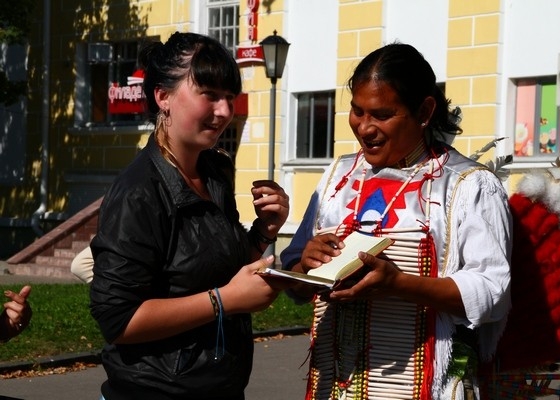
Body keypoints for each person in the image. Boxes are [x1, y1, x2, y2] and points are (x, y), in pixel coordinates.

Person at [279, 43, 512, 400]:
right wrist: (302, 266)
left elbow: (493, 294)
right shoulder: (336, 177)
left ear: (424, 111)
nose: (365, 127)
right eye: (357, 111)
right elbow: (294, 276)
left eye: (382, 114)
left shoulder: (467, 185)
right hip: (334, 386)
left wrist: (399, 284)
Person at [89, 32, 289, 400]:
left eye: (229, 97)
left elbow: (220, 271)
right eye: (210, 95)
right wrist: (225, 300)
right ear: (163, 97)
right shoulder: (139, 192)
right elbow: (117, 319)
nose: (226, 111)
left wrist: (264, 231)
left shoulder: (214, 172)